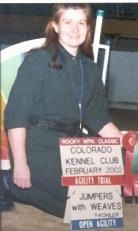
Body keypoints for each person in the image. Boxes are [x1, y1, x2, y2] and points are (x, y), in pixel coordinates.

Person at [0, 3, 124, 218]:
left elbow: (99, 119)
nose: (75, 30)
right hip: (37, 145)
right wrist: (20, 164)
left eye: (81, 23)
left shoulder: (90, 68)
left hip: (71, 147)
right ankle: (9, 182)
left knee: (98, 205)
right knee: (75, 208)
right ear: (55, 26)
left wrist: (130, 143)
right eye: (67, 22)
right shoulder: (37, 61)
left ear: (88, 28)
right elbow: (15, 117)